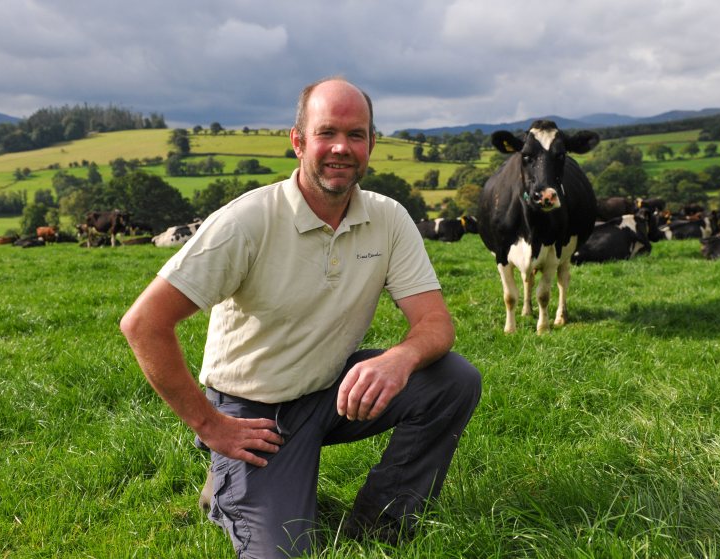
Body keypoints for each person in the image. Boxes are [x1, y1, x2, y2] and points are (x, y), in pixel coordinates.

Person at [120, 77, 481, 558]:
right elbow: (143, 323)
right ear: (298, 141)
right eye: (326, 132)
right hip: (254, 413)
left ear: (372, 143)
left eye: (356, 135)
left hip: (330, 389)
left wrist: (400, 357)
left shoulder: (389, 219)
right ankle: (227, 484)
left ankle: (378, 527)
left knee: (452, 378)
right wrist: (210, 425)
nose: (341, 148)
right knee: (283, 551)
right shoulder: (247, 221)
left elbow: (436, 323)